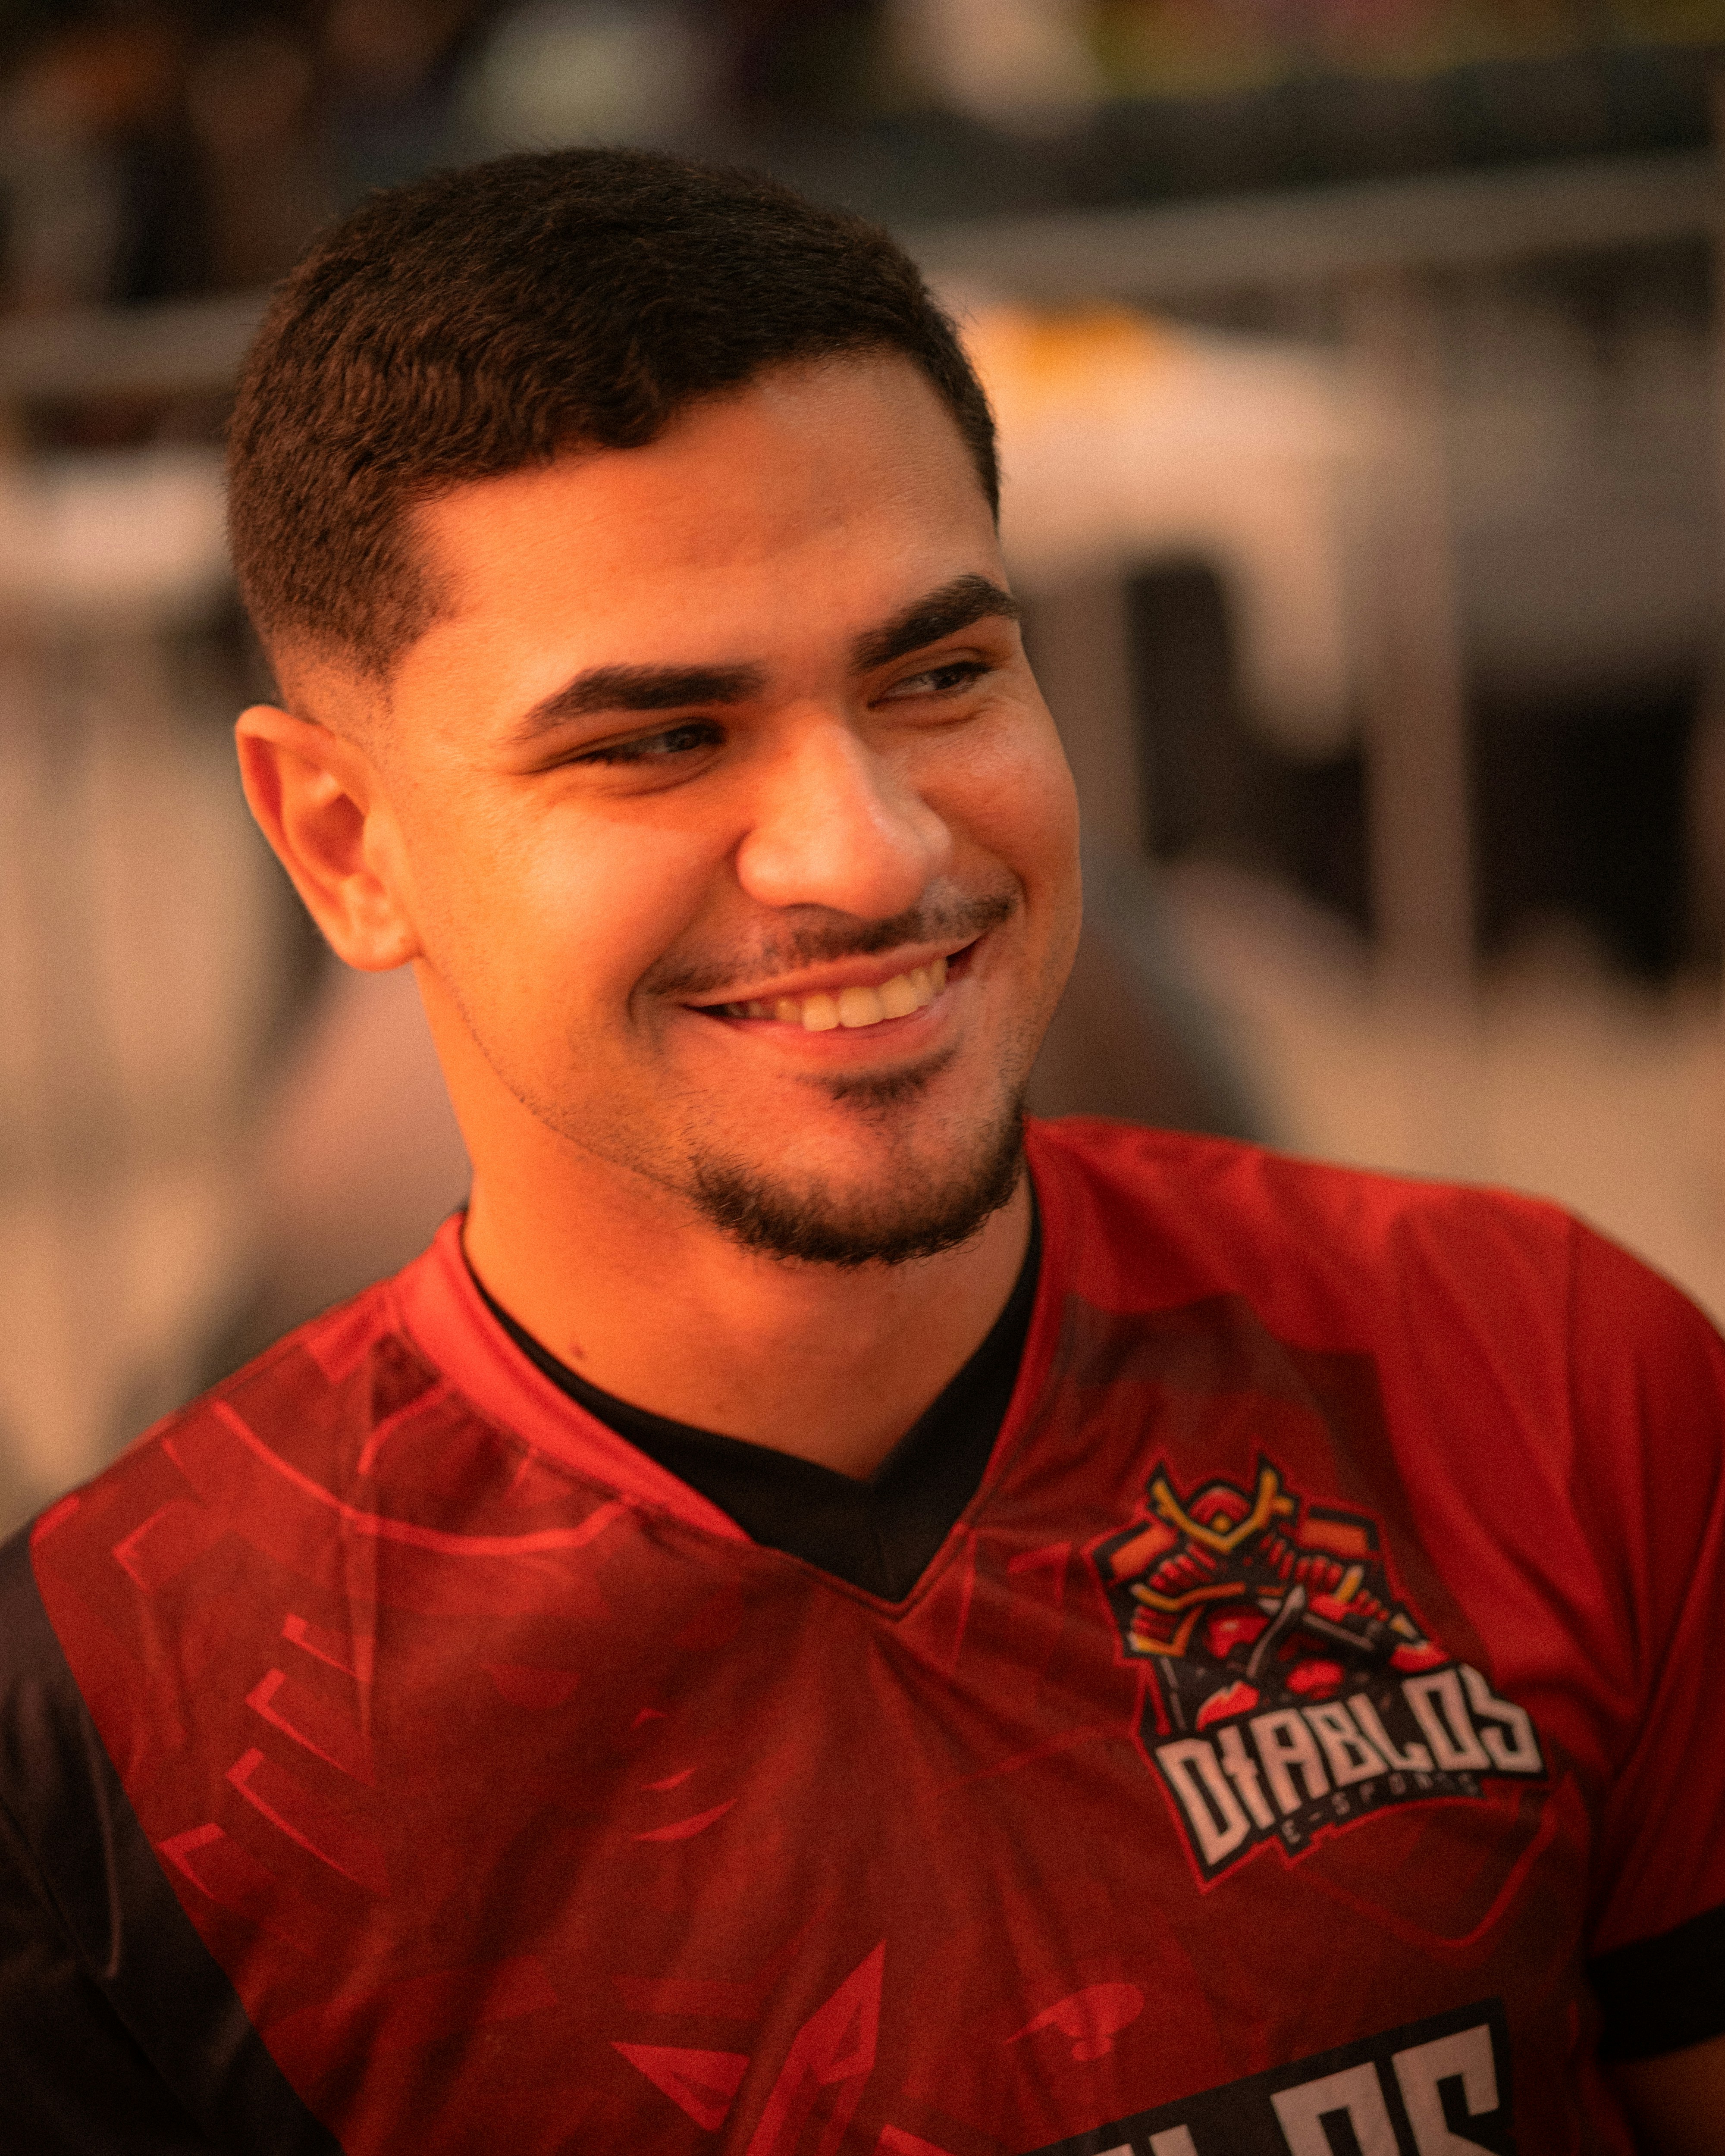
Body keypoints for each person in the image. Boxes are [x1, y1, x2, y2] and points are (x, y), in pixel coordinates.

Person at [0, 149, 1720, 2156]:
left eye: (938, 673)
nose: (872, 848)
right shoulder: (121, 1727)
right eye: (656, 738)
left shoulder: (1528, 1370)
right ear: (342, 844)